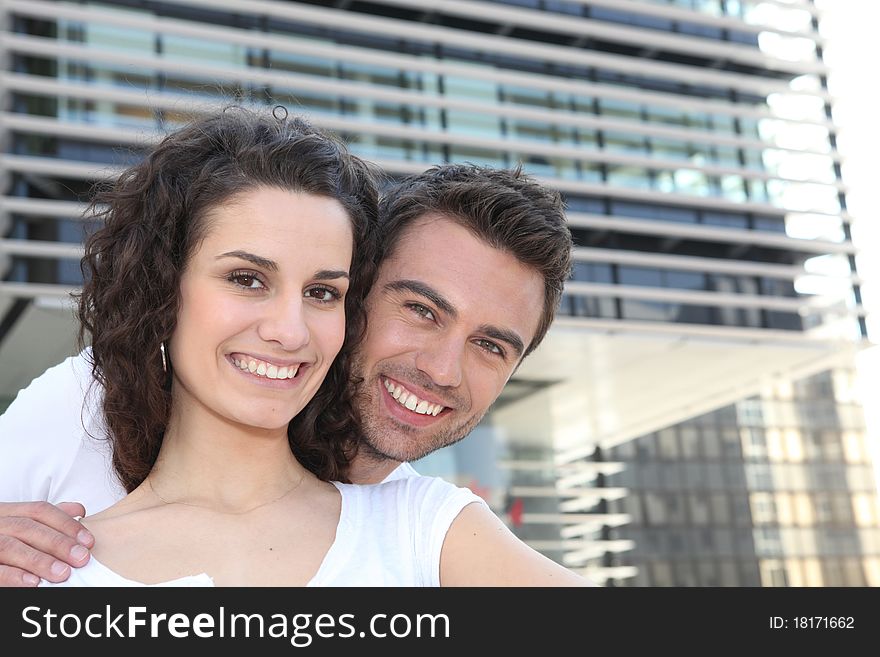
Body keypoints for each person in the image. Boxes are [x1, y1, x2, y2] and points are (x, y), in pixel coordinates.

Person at [0, 106, 588, 587]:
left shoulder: (425, 527)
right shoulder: (79, 407)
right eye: (420, 309)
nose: (290, 330)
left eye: (320, 291)